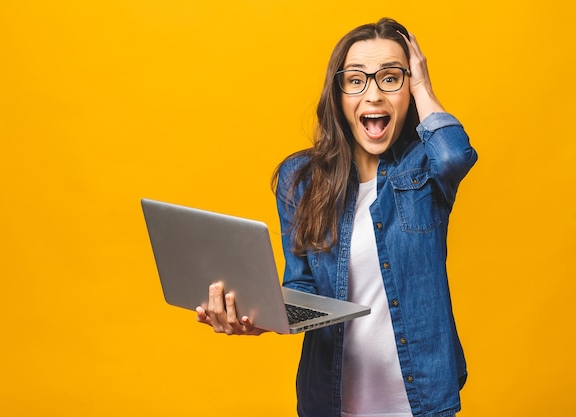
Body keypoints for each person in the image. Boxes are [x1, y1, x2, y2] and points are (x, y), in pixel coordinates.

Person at [196, 17, 477, 417]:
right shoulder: (300, 179)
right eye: (356, 80)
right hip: (330, 403)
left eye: (391, 78)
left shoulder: (424, 168)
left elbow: (454, 154)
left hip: (422, 404)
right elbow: (301, 289)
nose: (374, 94)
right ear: (339, 93)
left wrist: (423, 86)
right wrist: (256, 316)